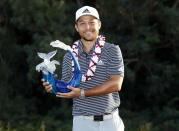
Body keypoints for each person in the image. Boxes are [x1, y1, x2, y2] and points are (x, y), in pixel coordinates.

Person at [42, 6, 125, 131]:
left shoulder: (112, 50)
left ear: (99, 24)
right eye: (82, 23)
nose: (87, 28)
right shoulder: (68, 56)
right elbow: (67, 89)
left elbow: (116, 84)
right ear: (76, 27)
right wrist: (52, 86)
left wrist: (82, 93)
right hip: (82, 123)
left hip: (110, 122)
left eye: (91, 22)